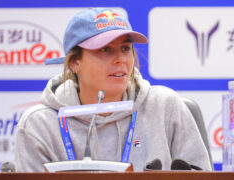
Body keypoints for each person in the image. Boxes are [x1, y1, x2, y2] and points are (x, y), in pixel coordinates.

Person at [14, 8, 212, 172]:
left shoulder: (164, 105)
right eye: (105, 50)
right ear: (75, 62)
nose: (121, 60)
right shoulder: (39, 125)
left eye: (125, 48)